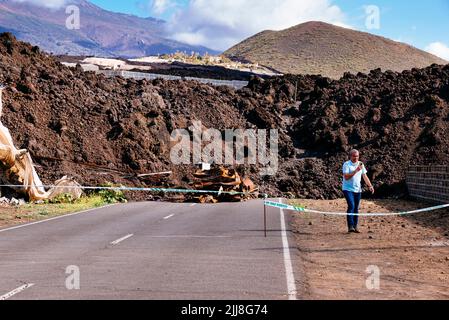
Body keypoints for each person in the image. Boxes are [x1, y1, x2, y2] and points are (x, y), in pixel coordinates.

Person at [342, 149, 375, 233]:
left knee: (356, 208)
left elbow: (364, 176)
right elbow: (346, 177)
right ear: (350, 156)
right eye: (354, 156)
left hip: (358, 189)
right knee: (351, 206)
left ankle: (355, 226)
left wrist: (370, 185)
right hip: (347, 189)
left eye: (357, 156)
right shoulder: (346, 164)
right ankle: (350, 226)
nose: (355, 158)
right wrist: (356, 170)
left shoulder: (361, 164)